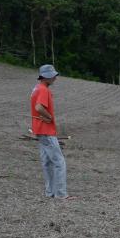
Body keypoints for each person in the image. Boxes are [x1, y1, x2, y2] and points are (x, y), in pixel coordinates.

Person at [30, 64, 73, 200]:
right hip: (46, 131)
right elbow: (38, 107)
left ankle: (51, 193)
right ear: (46, 76)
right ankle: (61, 194)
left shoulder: (36, 88)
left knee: (47, 162)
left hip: (39, 130)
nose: (55, 78)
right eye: (53, 75)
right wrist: (49, 116)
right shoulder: (43, 90)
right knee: (59, 162)